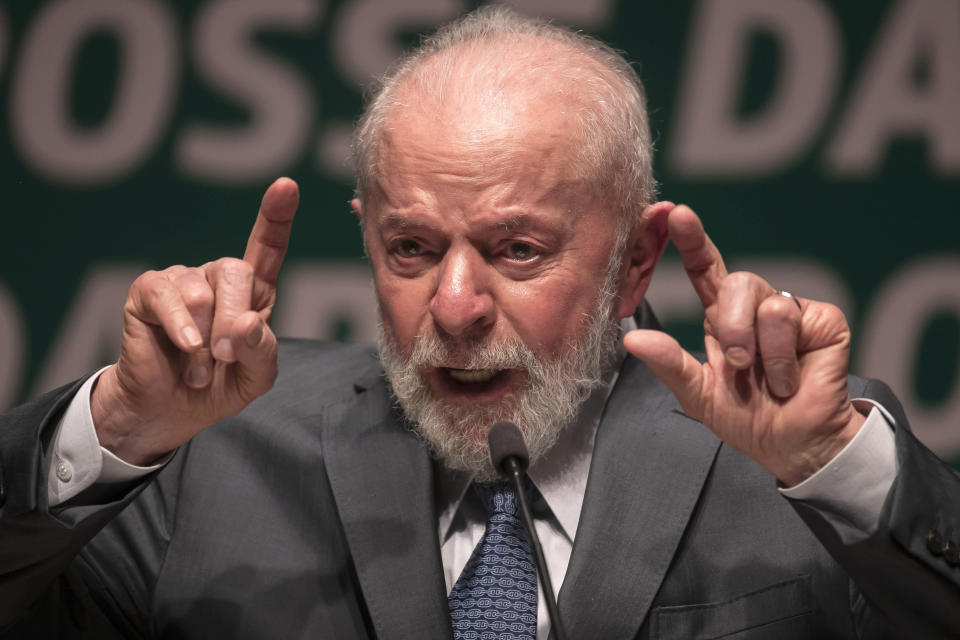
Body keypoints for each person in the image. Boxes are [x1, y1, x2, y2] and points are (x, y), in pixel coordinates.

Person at [1, 7, 958, 639]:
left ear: (634, 260)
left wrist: (839, 464)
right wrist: (120, 427)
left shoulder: (801, 455)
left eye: (518, 251)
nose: (454, 309)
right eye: (411, 249)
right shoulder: (211, 450)